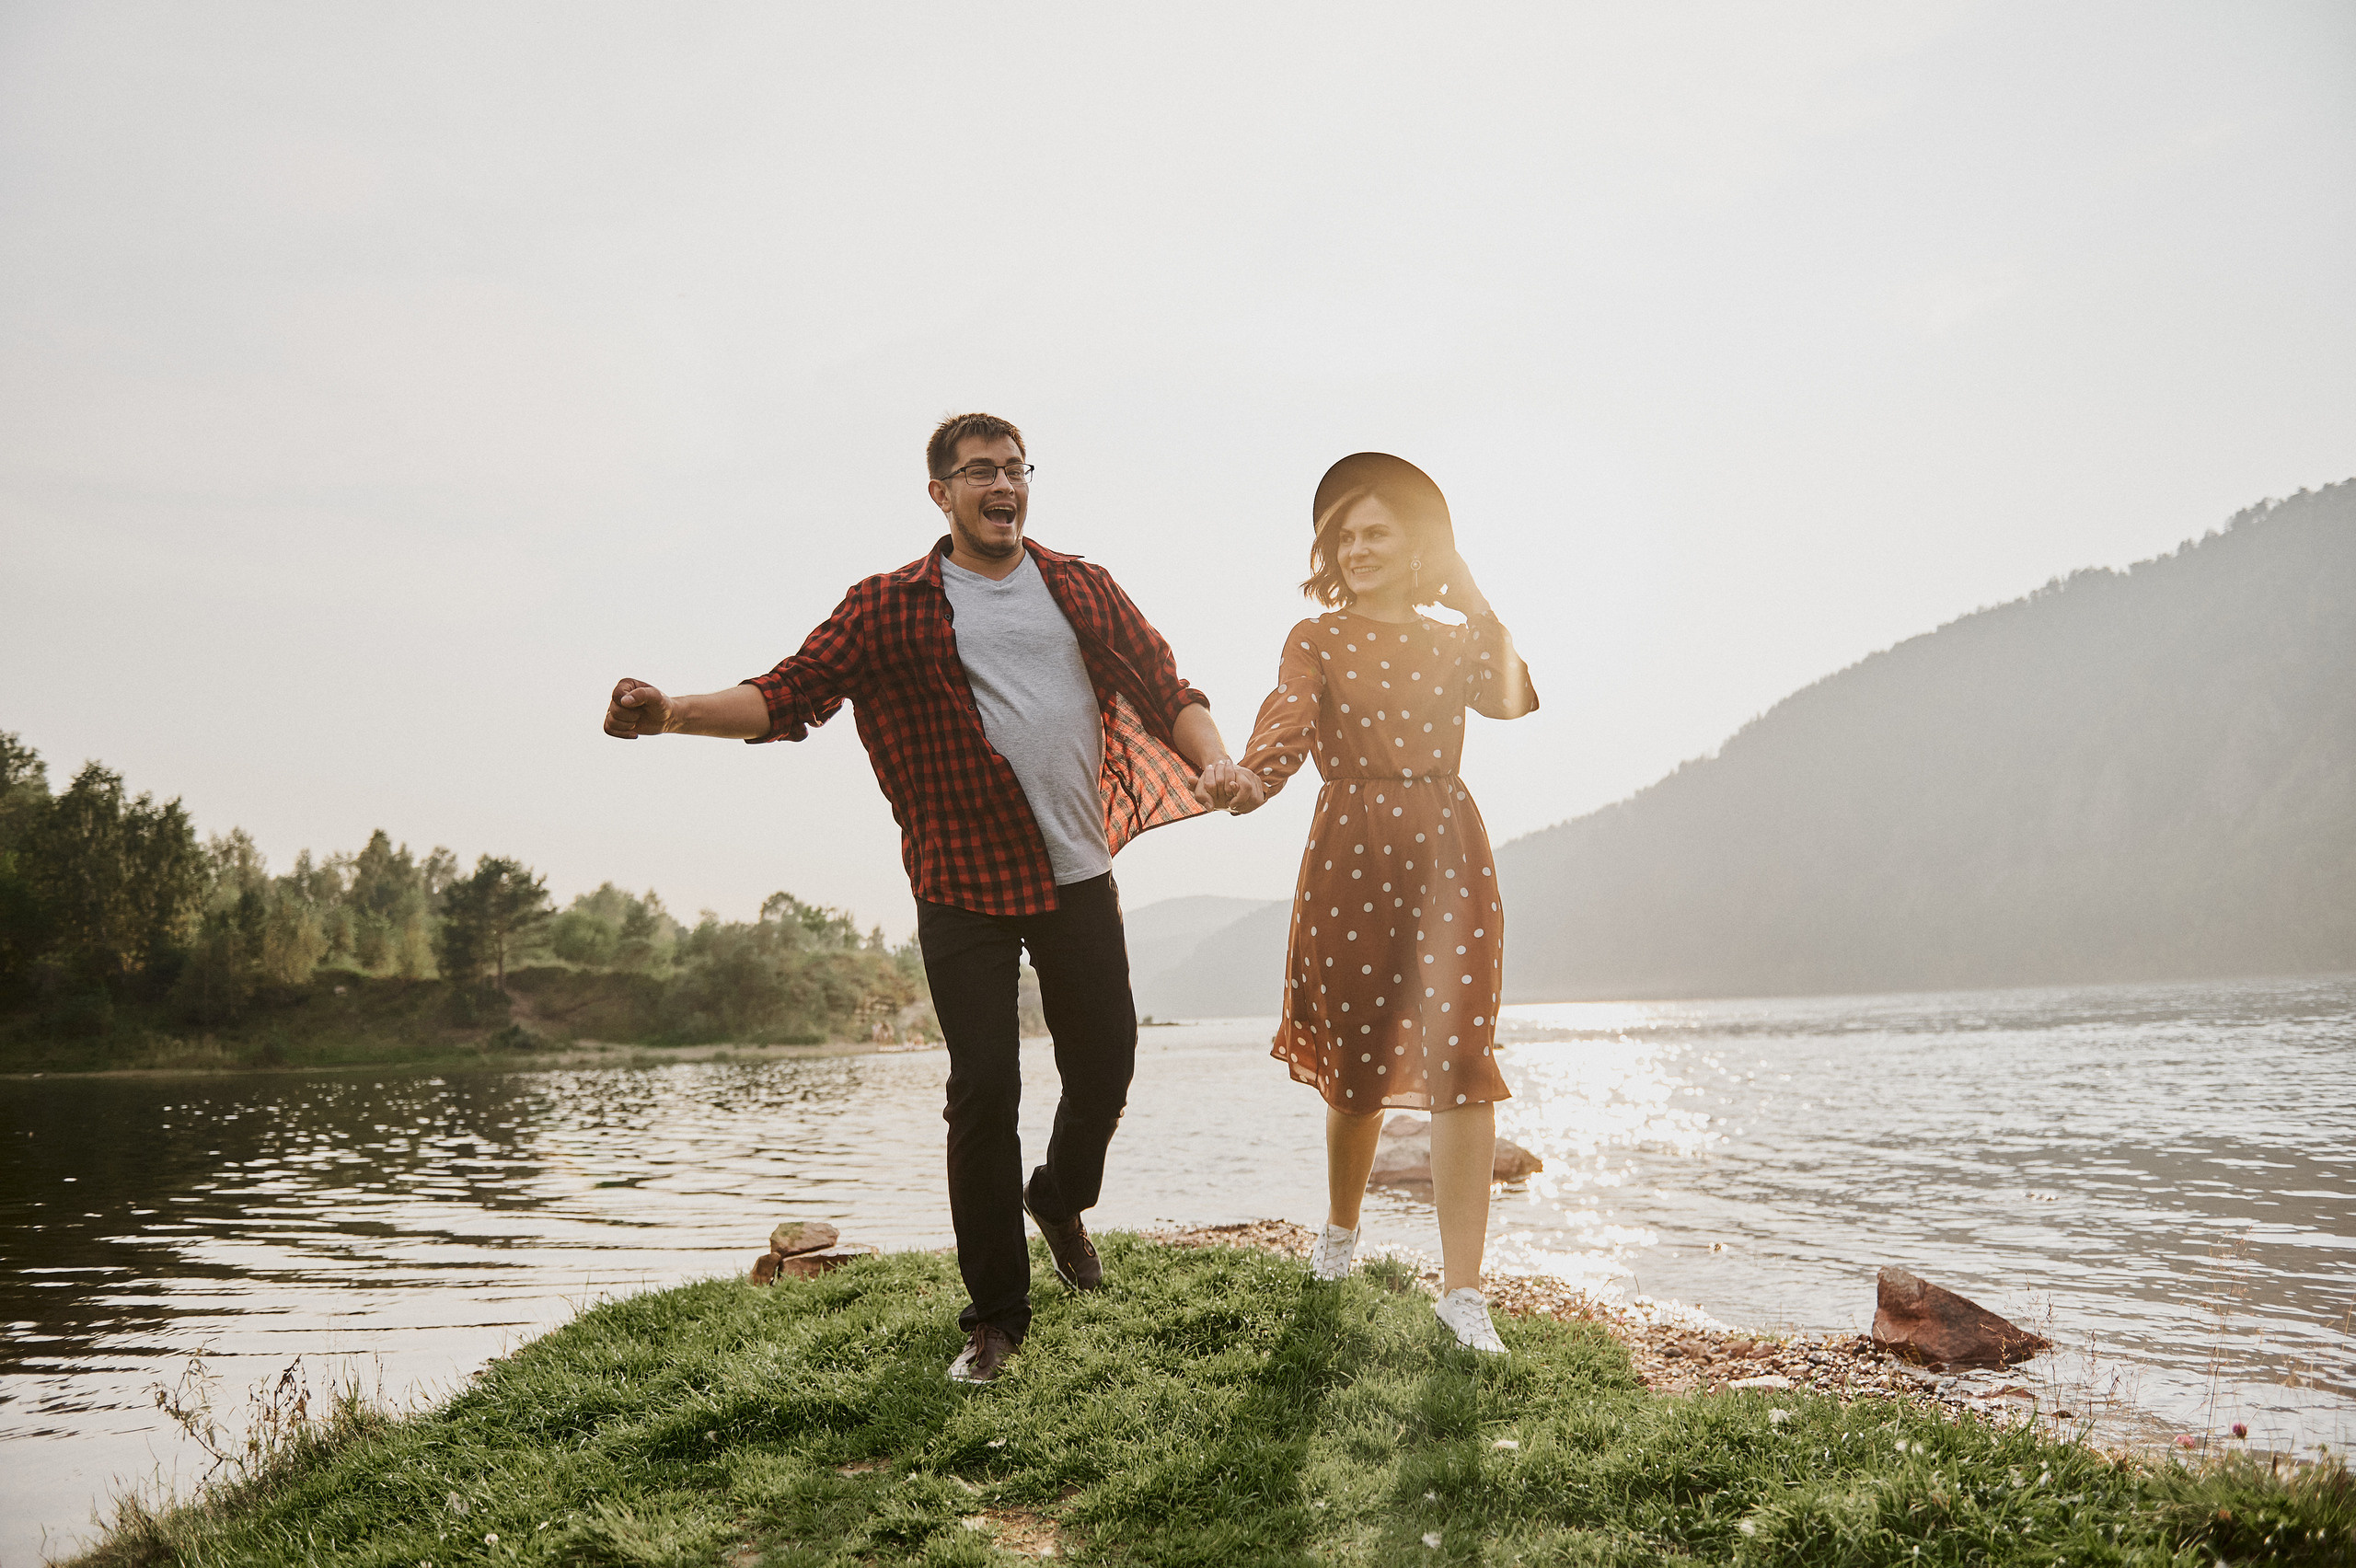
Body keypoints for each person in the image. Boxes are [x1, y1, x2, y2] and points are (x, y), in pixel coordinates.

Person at [601, 412, 1258, 1384]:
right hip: (961, 885)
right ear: (940, 493)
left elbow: (1169, 687)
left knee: (1108, 1064)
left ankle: (1059, 1196)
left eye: (1016, 469)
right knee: (983, 1092)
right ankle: (994, 1319)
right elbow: (787, 696)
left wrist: (1217, 762)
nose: (1003, 486)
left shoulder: (1081, 586)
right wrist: (669, 715)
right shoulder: (886, 607)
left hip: (1076, 871)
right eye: (980, 471)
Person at [1230, 452, 1537, 1354]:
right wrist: (1251, 776)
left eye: (1377, 533)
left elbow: (1515, 698)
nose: (1358, 548)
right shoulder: (1314, 638)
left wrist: (1472, 594)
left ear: (1417, 547)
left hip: (1448, 852)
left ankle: (1463, 1295)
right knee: (1357, 1069)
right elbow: (1288, 715)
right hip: (1349, 852)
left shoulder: (1454, 639)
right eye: (1346, 536)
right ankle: (1338, 1231)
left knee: (1462, 1056)